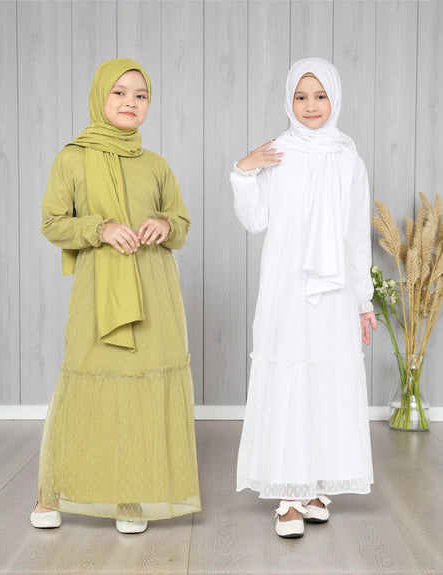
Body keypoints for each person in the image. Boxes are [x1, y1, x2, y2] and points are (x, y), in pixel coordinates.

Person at [31, 58, 201, 534]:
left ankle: (129, 497)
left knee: (140, 388)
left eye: (140, 95)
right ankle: (52, 494)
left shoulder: (156, 164)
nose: (131, 102)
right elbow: (52, 223)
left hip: (154, 288)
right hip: (99, 289)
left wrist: (164, 224)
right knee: (86, 382)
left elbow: (181, 223)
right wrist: (99, 229)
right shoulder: (72, 158)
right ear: (100, 96)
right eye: (120, 92)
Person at [230, 57, 377, 539]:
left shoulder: (349, 159)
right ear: (289, 100)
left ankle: (315, 486)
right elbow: (255, 220)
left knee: (325, 377)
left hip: (334, 293)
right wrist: (244, 172)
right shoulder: (278, 153)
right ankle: (288, 495)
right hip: (286, 287)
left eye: (320, 96)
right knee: (290, 374)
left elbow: (356, 236)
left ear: (334, 99)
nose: (310, 106)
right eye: (300, 96)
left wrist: (363, 301)